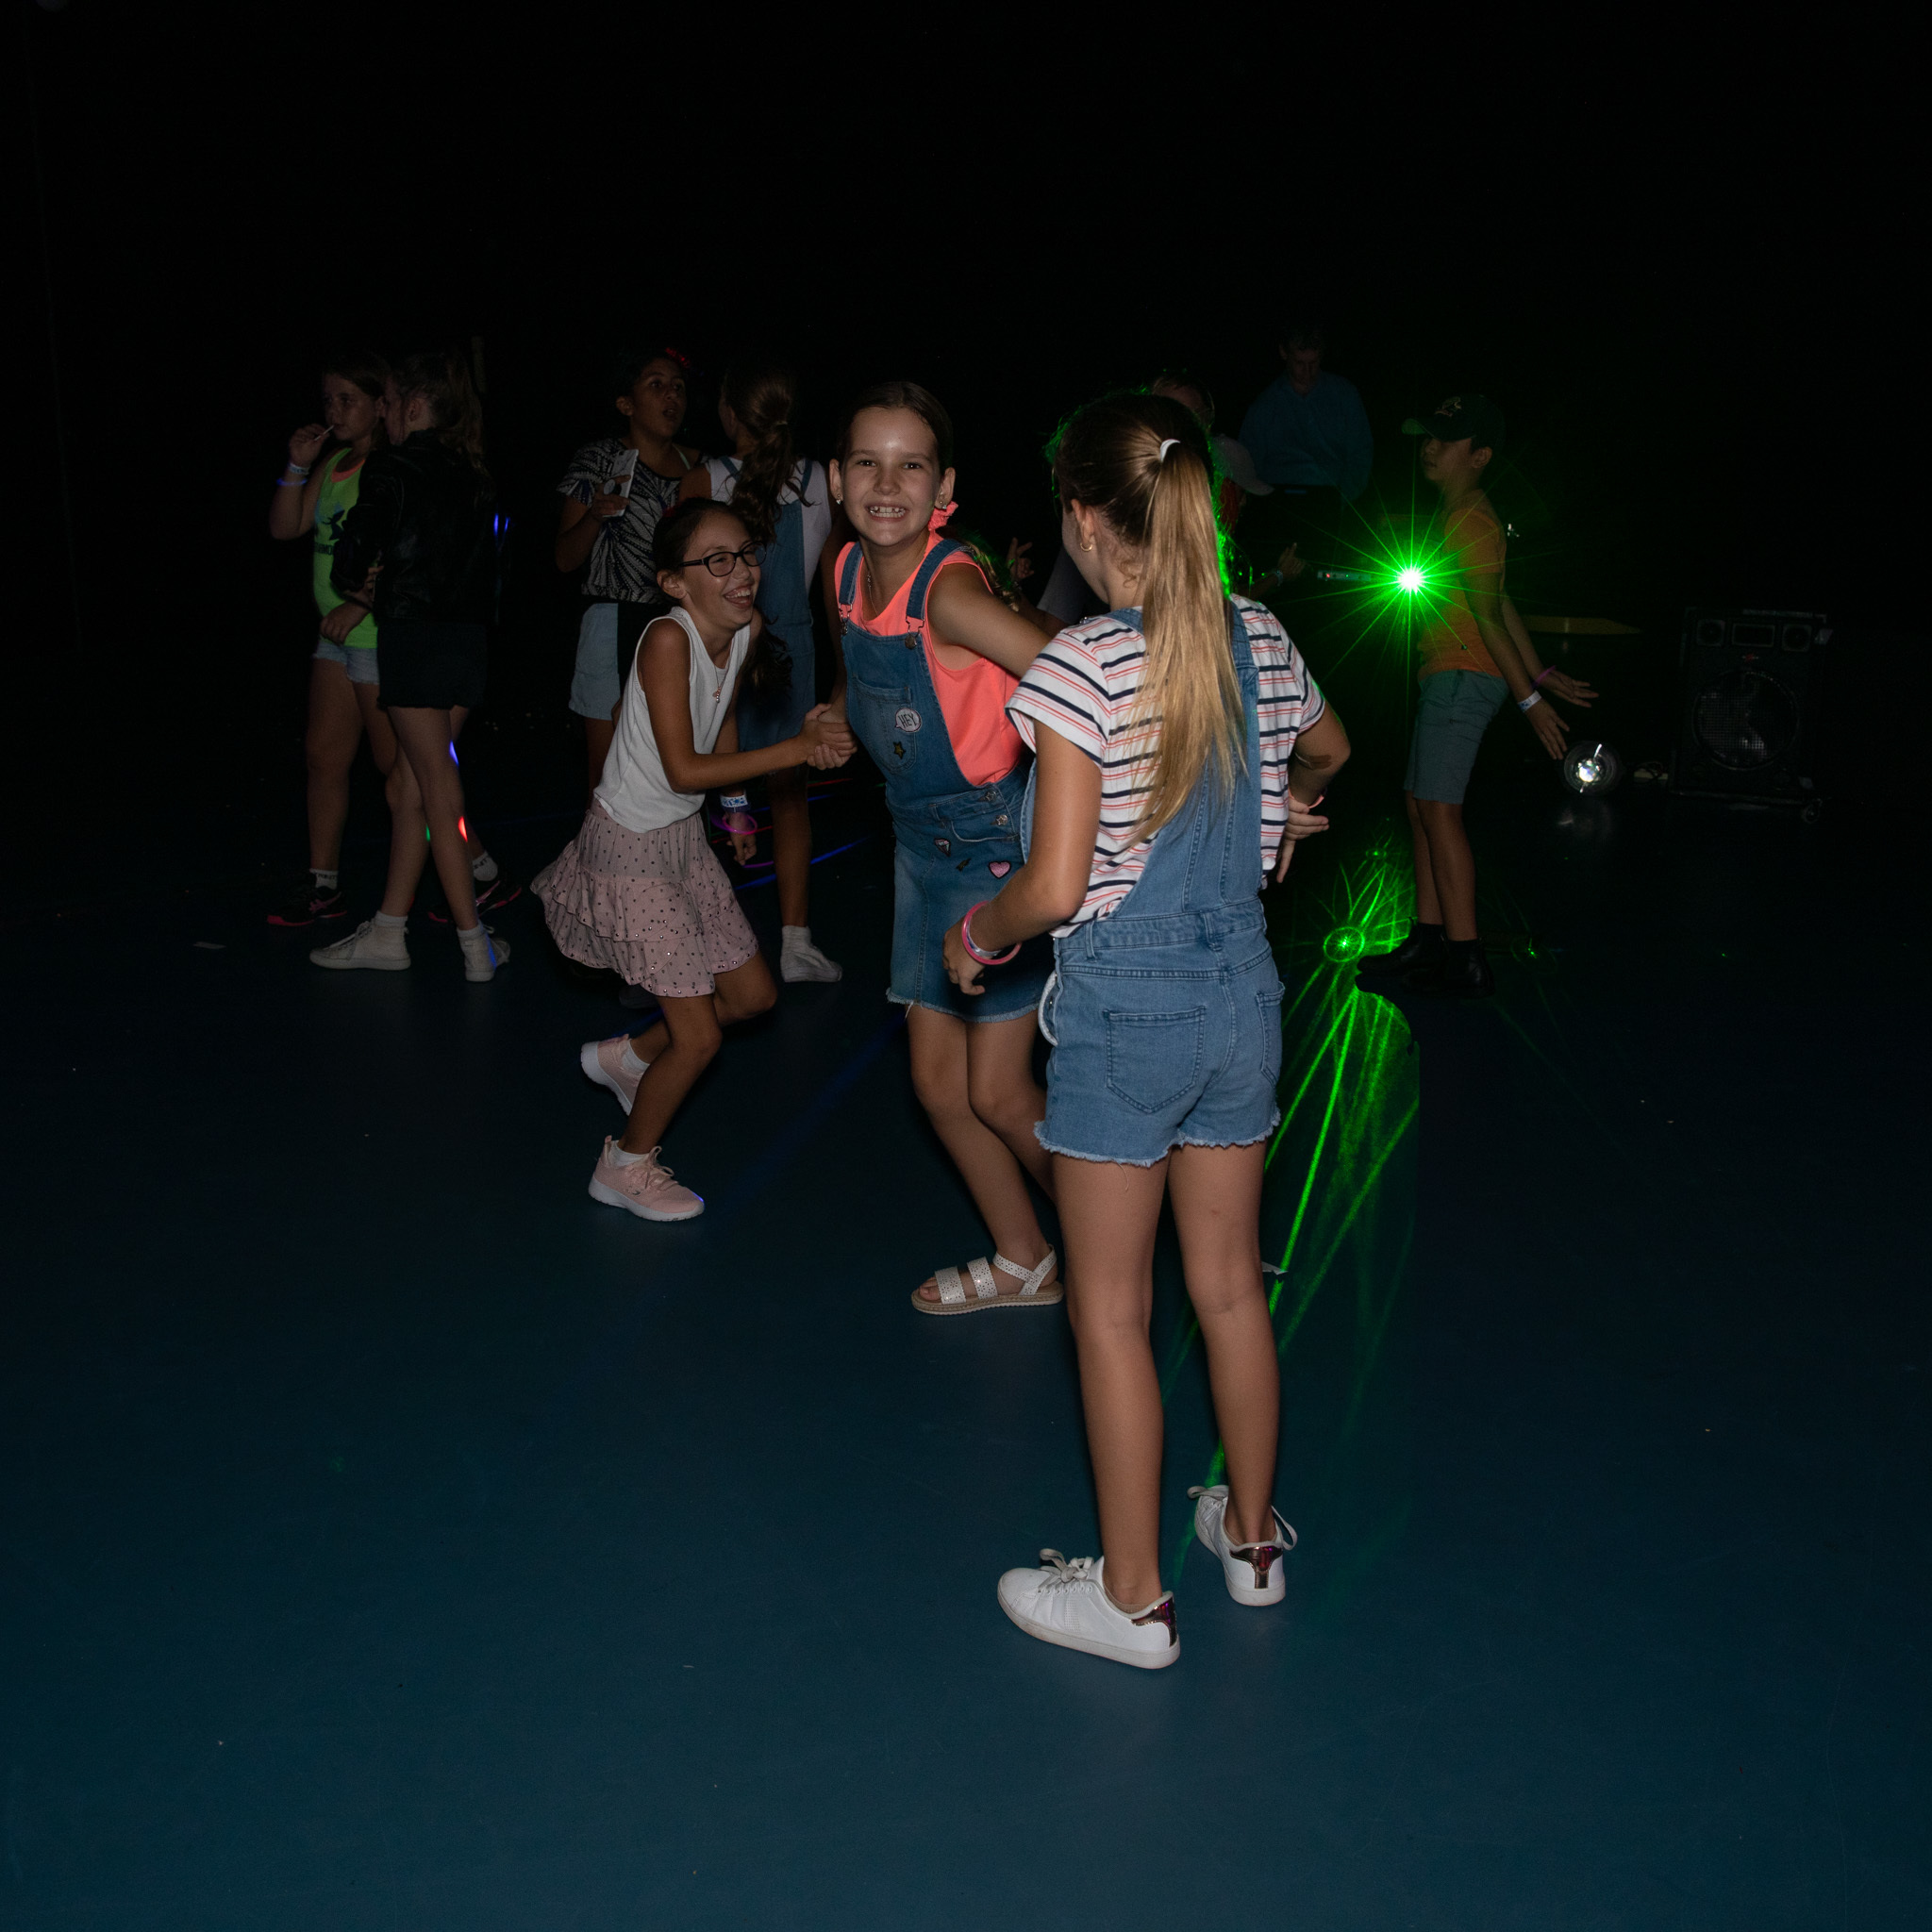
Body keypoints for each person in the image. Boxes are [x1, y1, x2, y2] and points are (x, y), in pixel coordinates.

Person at [941, 391, 1350, 1669]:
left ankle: (1128, 1600)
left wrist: (979, 937)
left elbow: (1054, 884)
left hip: (1129, 1010)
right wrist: (1282, 812)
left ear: (1080, 516)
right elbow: (1330, 748)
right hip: (1242, 998)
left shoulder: (1080, 666)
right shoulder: (1256, 631)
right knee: (1228, 1286)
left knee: (1111, 1310)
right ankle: (1253, 1542)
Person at [536, 501, 854, 1220]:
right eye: (717, 561)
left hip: (681, 838)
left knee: (752, 997)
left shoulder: (745, 630)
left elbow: (725, 717)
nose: (741, 572)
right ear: (675, 583)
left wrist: (736, 804)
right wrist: (797, 749)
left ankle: (628, 1058)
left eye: (745, 554)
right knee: (699, 1036)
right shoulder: (666, 640)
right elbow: (682, 768)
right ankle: (623, 1166)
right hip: (631, 847)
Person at [821, 381, 1065, 1314]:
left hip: (992, 849)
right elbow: (864, 675)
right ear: (836, 477)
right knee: (936, 1087)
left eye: (911, 465)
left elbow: (1071, 683)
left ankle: (1115, 1232)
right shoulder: (846, 569)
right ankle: (1024, 1258)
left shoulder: (951, 591)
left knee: (998, 1092)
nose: (887, 484)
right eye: (867, 462)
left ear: (944, 487)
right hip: (917, 847)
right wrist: (834, 714)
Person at [1357, 395, 1597, 997]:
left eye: (1447, 439)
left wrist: (1529, 702)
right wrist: (1538, 674)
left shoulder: (1470, 517)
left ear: (1480, 455)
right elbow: (1500, 600)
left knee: (1440, 810)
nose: (1430, 447)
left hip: (1465, 676)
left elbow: (1486, 617)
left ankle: (1465, 957)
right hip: (1448, 672)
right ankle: (1429, 937)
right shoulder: (1461, 512)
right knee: (1420, 805)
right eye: (1428, 436)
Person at [308, 349, 510, 982]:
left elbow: (349, 562)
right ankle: (390, 930)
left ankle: (473, 945)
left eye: (391, 402)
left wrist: (366, 586)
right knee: (410, 787)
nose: (386, 413)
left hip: (415, 644)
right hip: (468, 647)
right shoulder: (475, 473)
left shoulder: (393, 467)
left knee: (434, 789)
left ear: (415, 406)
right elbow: (491, 574)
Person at [677, 363, 842, 983]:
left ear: (729, 412)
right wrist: (842, 671)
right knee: (789, 798)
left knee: (705, 794)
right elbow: (834, 588)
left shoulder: (705, 479)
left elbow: (675, 583)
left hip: (723, 649)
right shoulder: (820, 479)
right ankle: (794, 943)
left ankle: (698, 945)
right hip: (781, 649)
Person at [266, 354, 395, 927]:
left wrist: (361, 601)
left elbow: (404, 551)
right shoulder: (337, 462)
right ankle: (323, 885)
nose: (335, 411)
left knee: (402, 769)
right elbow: (286, 526)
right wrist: (297, 465)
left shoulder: (390, 468)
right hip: (335, 638)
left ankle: (473, 868)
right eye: (328, 400)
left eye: (348, 399)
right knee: (324, 757)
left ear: (380, 405)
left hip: (374, 635)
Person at [556, 348, 705, 802]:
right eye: (656, 385)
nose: (671, 396)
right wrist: (595, 516)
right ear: (626, 403)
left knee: (672, 764)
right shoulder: (600, 459)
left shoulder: (700, 468)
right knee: (608, 774)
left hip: (679, 623)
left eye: (678, 387)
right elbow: (564, 559)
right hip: (611, 619)